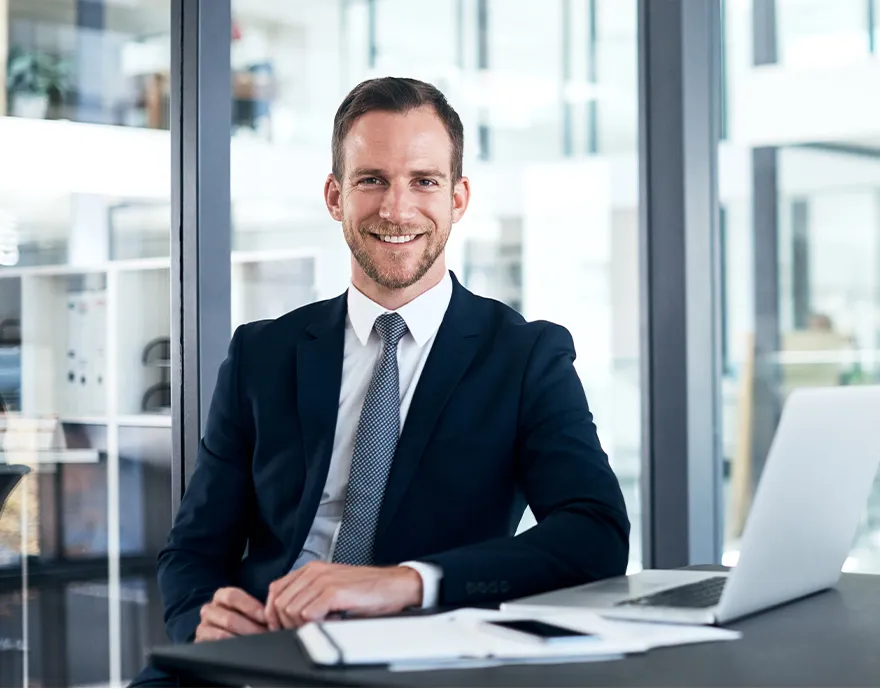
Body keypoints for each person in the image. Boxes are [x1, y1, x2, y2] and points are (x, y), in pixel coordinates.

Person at [131, 76, 628, 685]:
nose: (397, 209)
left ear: (459, 198)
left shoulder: (525, 356)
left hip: (421, 660)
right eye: (372, 180)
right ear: (334, 196)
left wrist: (407, 582)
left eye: (424, 181)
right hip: (261, 654)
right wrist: (201, 623)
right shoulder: (262, 353)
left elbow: (595, 532)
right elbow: (193, 550)